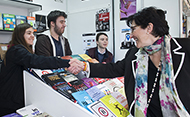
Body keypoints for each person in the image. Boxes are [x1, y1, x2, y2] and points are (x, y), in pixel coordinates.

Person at [70, 7, 190, 117]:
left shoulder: (185, 48)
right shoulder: (134, 54)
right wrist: (84, 65)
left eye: (133, 29)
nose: (131, 35)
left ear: (149, 28)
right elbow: (113, 69)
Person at [0, 23, 83, 116]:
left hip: (15, 99)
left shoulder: (20, 50)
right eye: (28, 33)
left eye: (33, 33)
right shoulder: (16, 50)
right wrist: (65, 62)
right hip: (10, 102)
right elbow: (37, 61)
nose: (32, 36)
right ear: (19, 35)